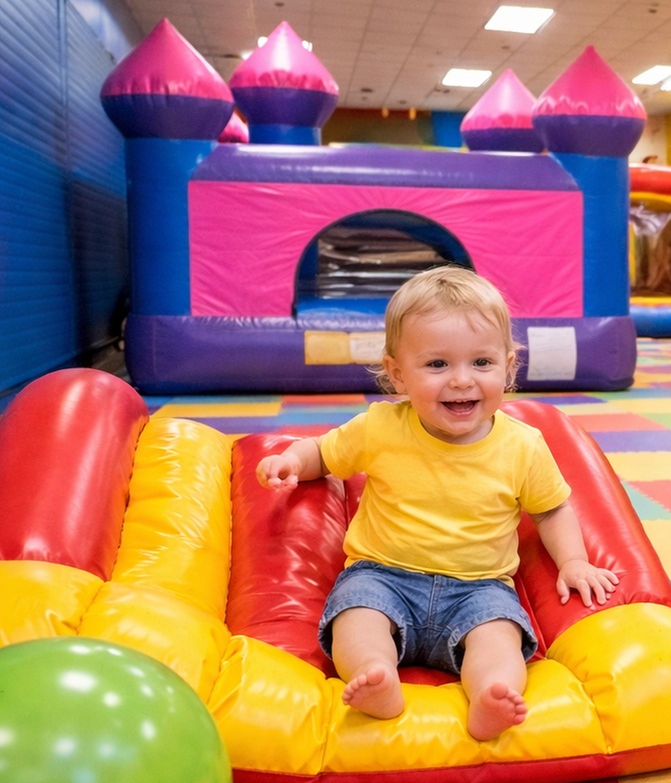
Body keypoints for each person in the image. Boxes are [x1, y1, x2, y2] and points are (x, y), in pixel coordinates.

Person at [255, 266, 618, 741]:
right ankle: (374, 677)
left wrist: (573, 562)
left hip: (479, 588)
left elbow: (551, 509)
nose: (462, 381)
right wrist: (289, 460)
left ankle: (492, 693)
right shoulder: (381, 428)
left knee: (499, 637)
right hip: (382, 575)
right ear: (397, 374)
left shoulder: (523, 446)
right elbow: (323, 453)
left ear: (508, 367)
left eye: (482, 363)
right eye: (437, 365)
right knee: (354, 619)